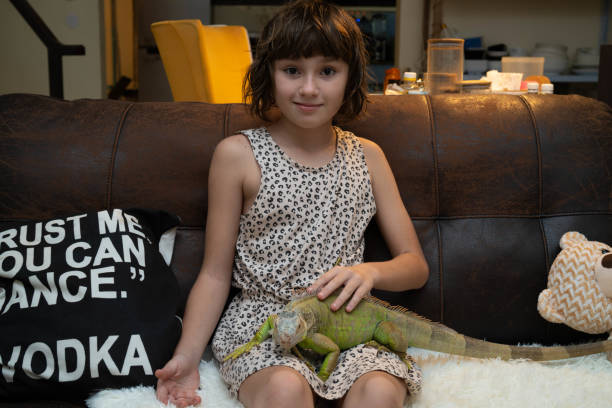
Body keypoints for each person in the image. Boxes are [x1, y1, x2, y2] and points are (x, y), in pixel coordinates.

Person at [155, 1, 429, 407]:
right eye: (292, 70)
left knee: (381, 390)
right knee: (286, 389)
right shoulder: (237, 155)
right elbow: (215, 275)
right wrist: (187, 357)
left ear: (350, 78)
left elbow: (415, 266)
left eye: (328, 71)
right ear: (269, 73)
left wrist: (369, 272)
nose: (308, 88)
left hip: (346, 325)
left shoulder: (368, 156)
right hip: (264, 326)